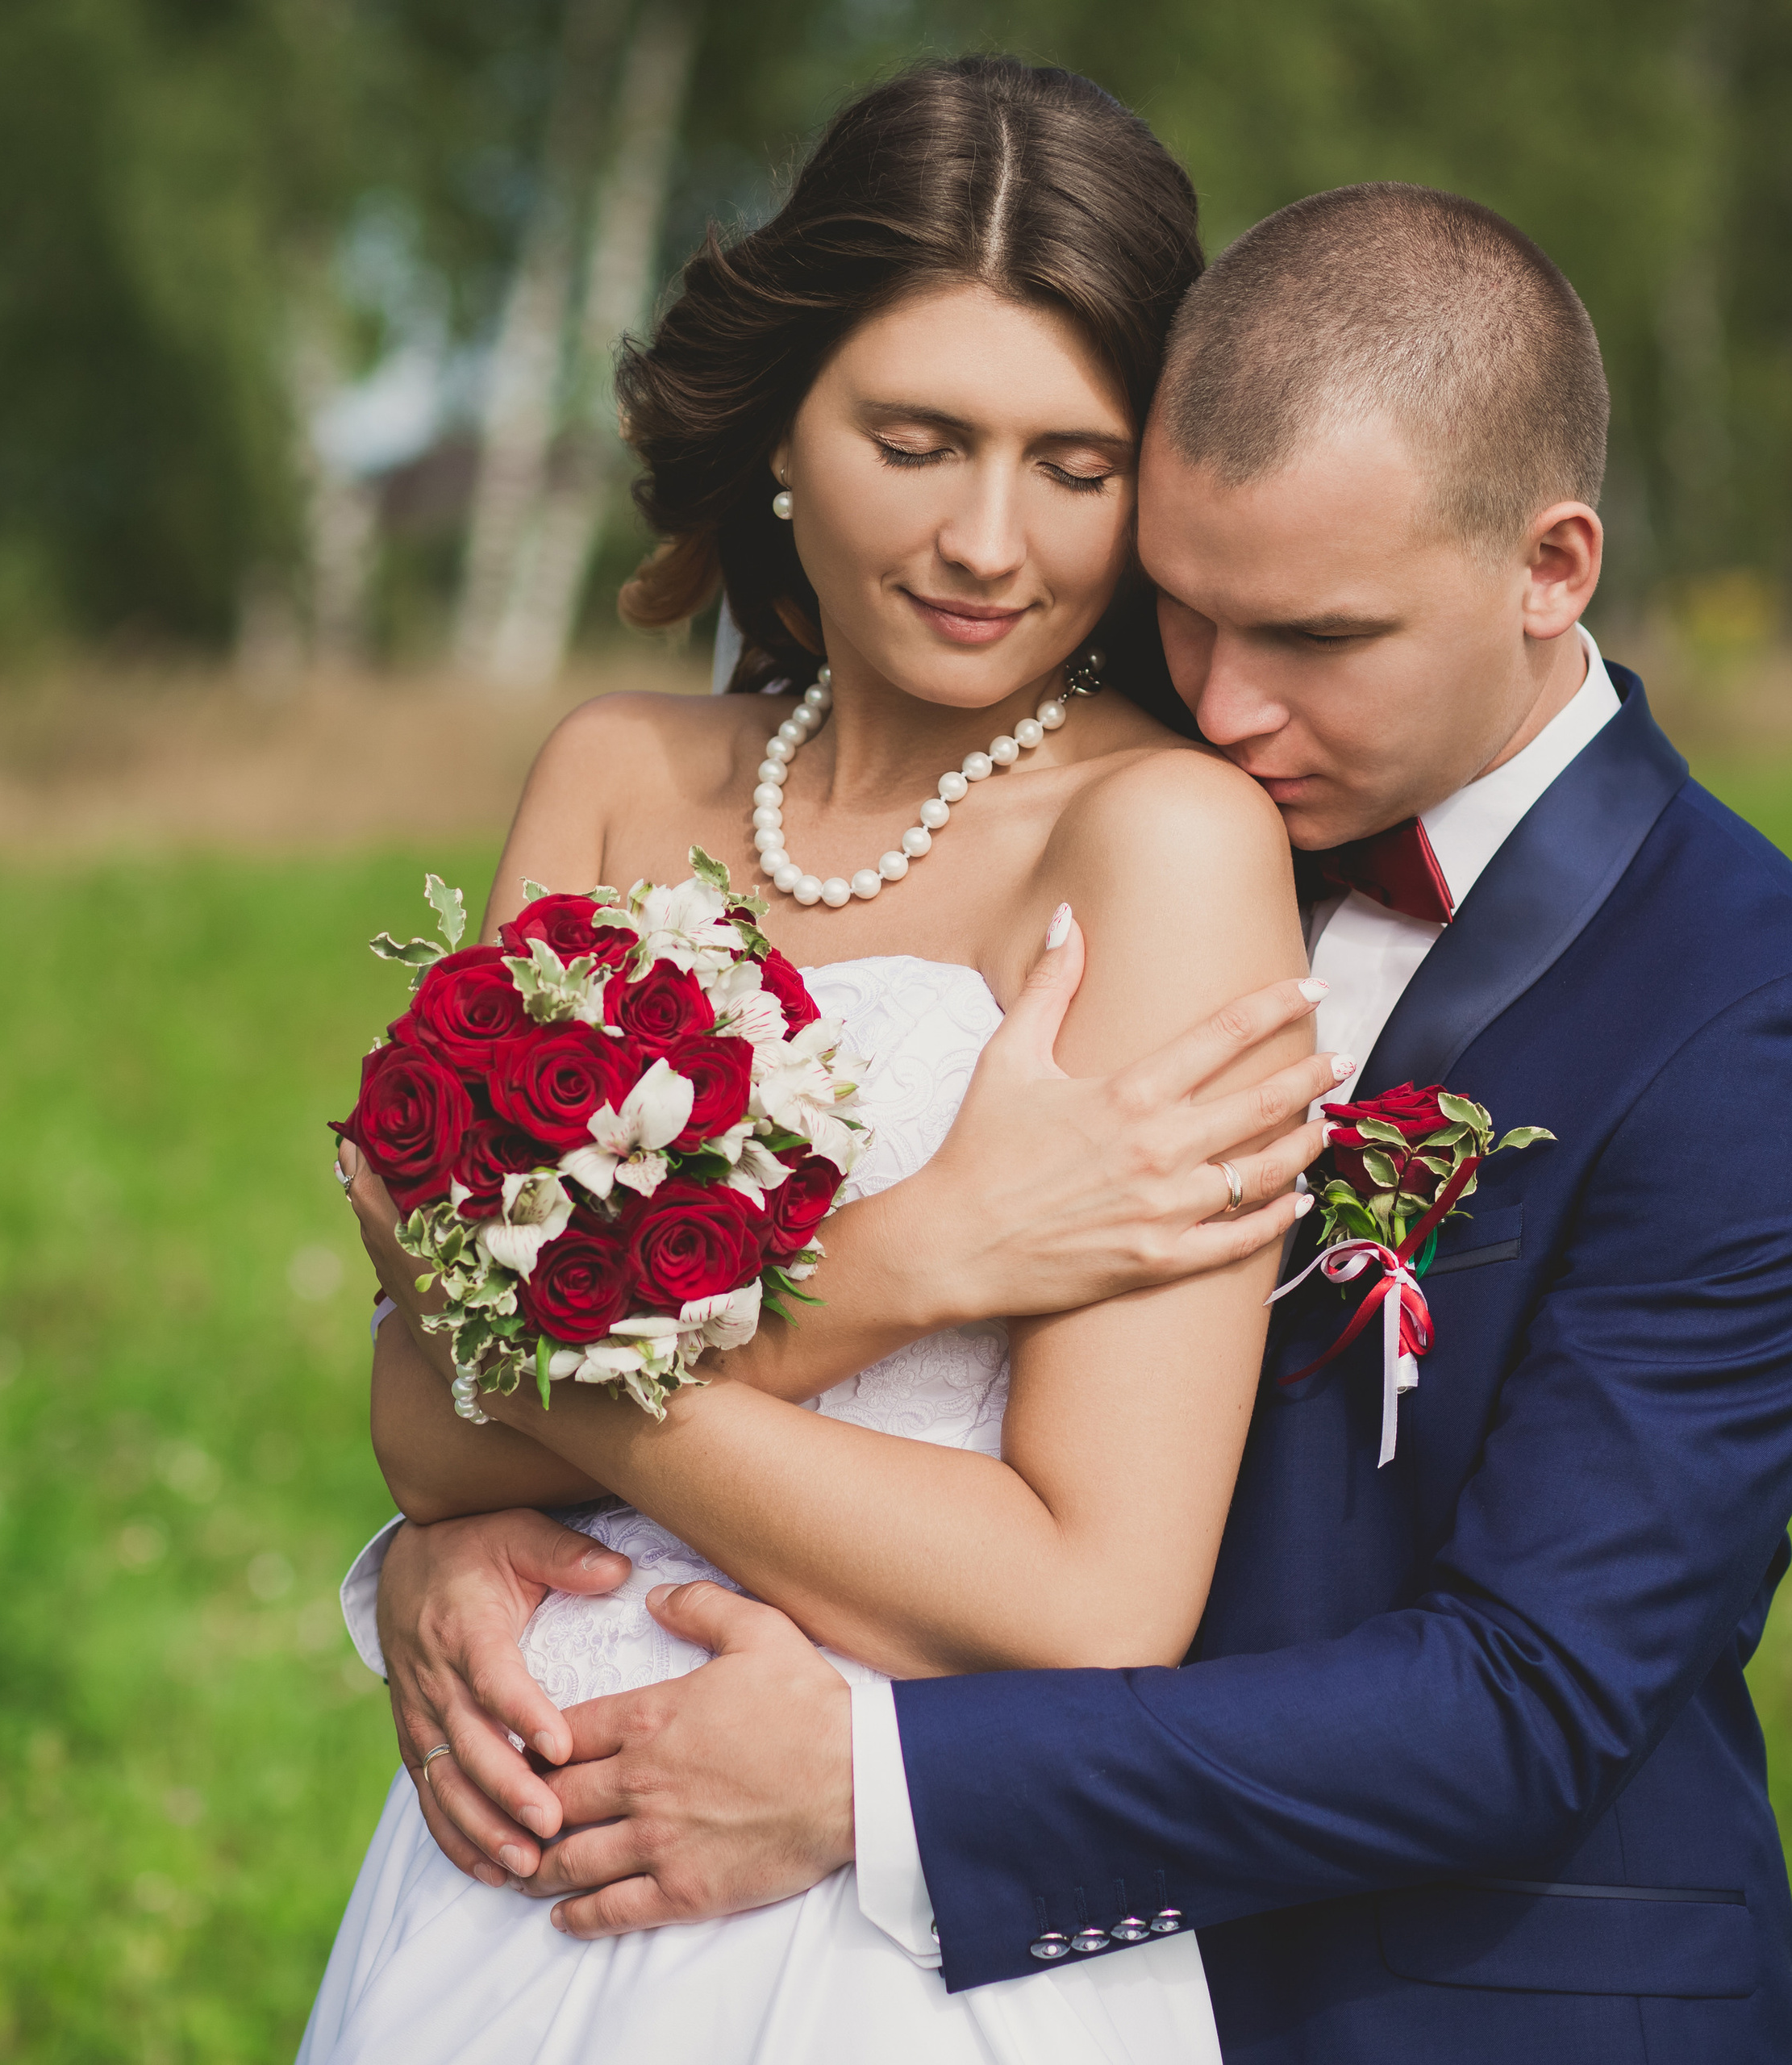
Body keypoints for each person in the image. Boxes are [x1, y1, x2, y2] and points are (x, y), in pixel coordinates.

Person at [356, 180, 1792, 2061]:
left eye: (1314, 637)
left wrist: (878, 1770)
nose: (1224, 703)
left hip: (1448, 1998)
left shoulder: (1732, 998)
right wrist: (463, 1544)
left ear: (1549, 567)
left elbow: (1523, 1694)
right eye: (1184, 615)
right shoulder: (1117, 811)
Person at [297, 56, 1354, 2065]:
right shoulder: (614, 778)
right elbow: (420, 1443)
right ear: (787, 426)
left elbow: (1085, 1600)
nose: (984, 537)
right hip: (499, 1856)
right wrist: (911, 1258)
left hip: (862, 1900)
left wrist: (537, 1376)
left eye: (1075, 460)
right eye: (916, 435)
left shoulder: (1162, 843)